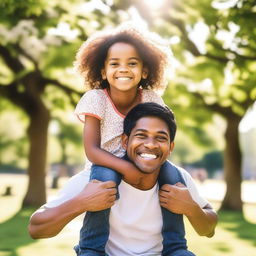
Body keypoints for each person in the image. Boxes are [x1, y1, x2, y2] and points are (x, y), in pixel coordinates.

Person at [28, 102, 218, 256]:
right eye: (141, 136)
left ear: (171, 147)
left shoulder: (179, 179)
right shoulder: (94, 179)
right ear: (126, 141)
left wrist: (191, 208)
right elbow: (36, 228)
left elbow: (208, 230)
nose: (150, 145)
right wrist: (81, 202)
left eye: (160, 138)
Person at [71, 22, 187, 255]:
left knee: (173, 174)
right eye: (115, 63)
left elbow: (164, 130)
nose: (123, 69)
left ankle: (175, 246)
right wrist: (126, 168)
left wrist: (141, 165)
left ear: (145, 71)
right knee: (104, 178)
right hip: (105, 163)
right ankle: (91, 248)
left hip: (142, 157)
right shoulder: (96, 99)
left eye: (132, 63)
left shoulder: (151, 98)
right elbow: (92, 150)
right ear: (103, 71)